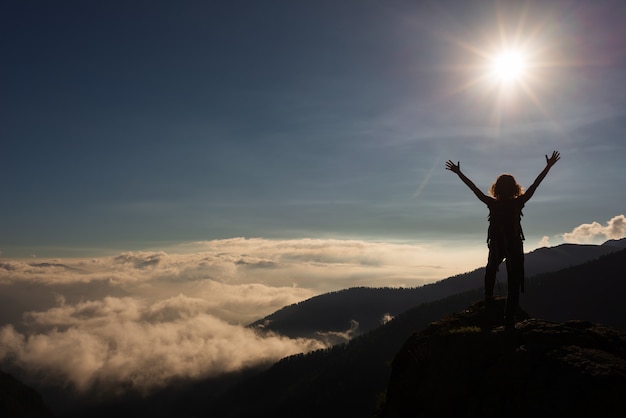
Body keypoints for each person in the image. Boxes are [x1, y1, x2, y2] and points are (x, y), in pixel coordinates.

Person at [445, 151, 560, 330]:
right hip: (514, 245)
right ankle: (509, 319)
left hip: (498, 244)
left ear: (496, 189)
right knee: (513, 283)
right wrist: (548, 166)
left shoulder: (493, 203)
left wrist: (459, 173)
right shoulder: (518, 202)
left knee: (491, 269)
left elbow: (474, 189)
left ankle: (489, 299)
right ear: (514, 188)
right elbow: (535, 185)